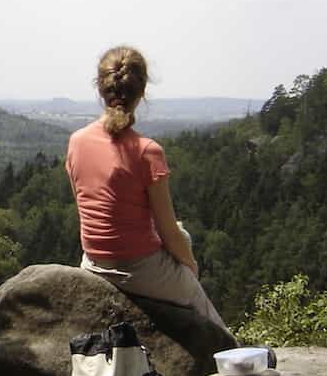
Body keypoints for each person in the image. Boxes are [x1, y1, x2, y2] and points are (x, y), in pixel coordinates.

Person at [65, 46, 228, 331]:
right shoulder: (147, 152)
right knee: (202, 304)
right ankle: (232, 360)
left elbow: (90, 210)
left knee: (183, 234)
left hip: (92, 262)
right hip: (137, 269)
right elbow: (167, 231)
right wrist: (190, 269)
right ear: (141, 93)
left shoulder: (77, 142)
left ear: (100, 89)